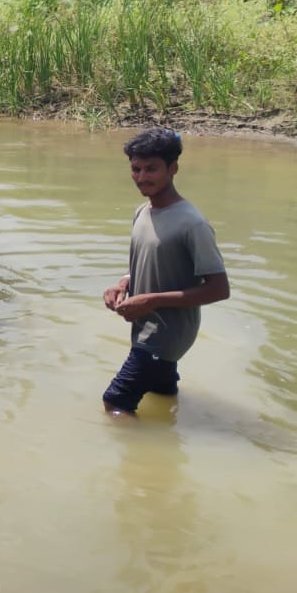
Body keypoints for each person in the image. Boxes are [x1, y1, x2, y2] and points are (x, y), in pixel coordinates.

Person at [101, 127, 230, 414]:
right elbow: (151, 261)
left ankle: (143, 458)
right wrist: (123, 283)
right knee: (161, 394)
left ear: (173, 169)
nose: (142, 177)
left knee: (115, 403)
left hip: (165, 333)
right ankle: (169, 439)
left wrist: (152, 300)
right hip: (148, 327)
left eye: (151, 169)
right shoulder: (142, 212)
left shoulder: (192, 224)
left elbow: (219, 288)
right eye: (136, 169)